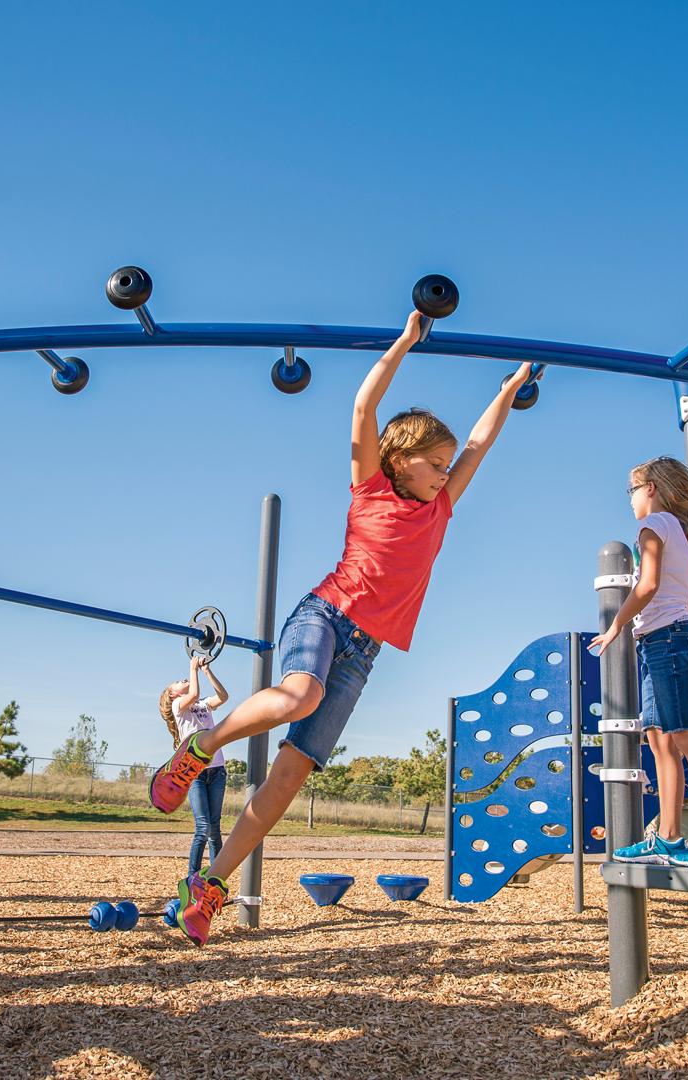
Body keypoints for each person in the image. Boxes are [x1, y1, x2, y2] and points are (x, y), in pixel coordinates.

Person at [148, 311, 540, 945]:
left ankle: (209, 888)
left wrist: (507, 389)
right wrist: (408, 341)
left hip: (364, 652)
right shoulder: (369, 489)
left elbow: (479, 444)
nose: (445, 472)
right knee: (299, 693)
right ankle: (199, 749)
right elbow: (365, 401)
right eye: (434, 463)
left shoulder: (440, 506)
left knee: (290, 775)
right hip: (326, 615)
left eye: (446, 465)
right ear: (401, 459)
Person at [599, 456, 688, 870]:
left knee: (686, 738)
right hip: (668, 638)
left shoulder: (654, 526)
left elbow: (648, 585)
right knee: (660, 739)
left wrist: (616, 626)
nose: (629, 499)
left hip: (667, 639)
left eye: (632, 490)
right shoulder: (684, 533)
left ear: (652, 489)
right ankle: (668, 837)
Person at [160, 656, 231, 874]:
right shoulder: (177, 706)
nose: (184, 679)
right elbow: (194, 694)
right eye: (178, 681)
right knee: (203, 828)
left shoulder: (202, 706)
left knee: (215, 828)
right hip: (195, 772)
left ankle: (216, 876)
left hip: (217, 769)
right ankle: (193, 876)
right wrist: (193, 669)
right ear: (172, 694)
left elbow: (223, 696)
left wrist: (207, 671)